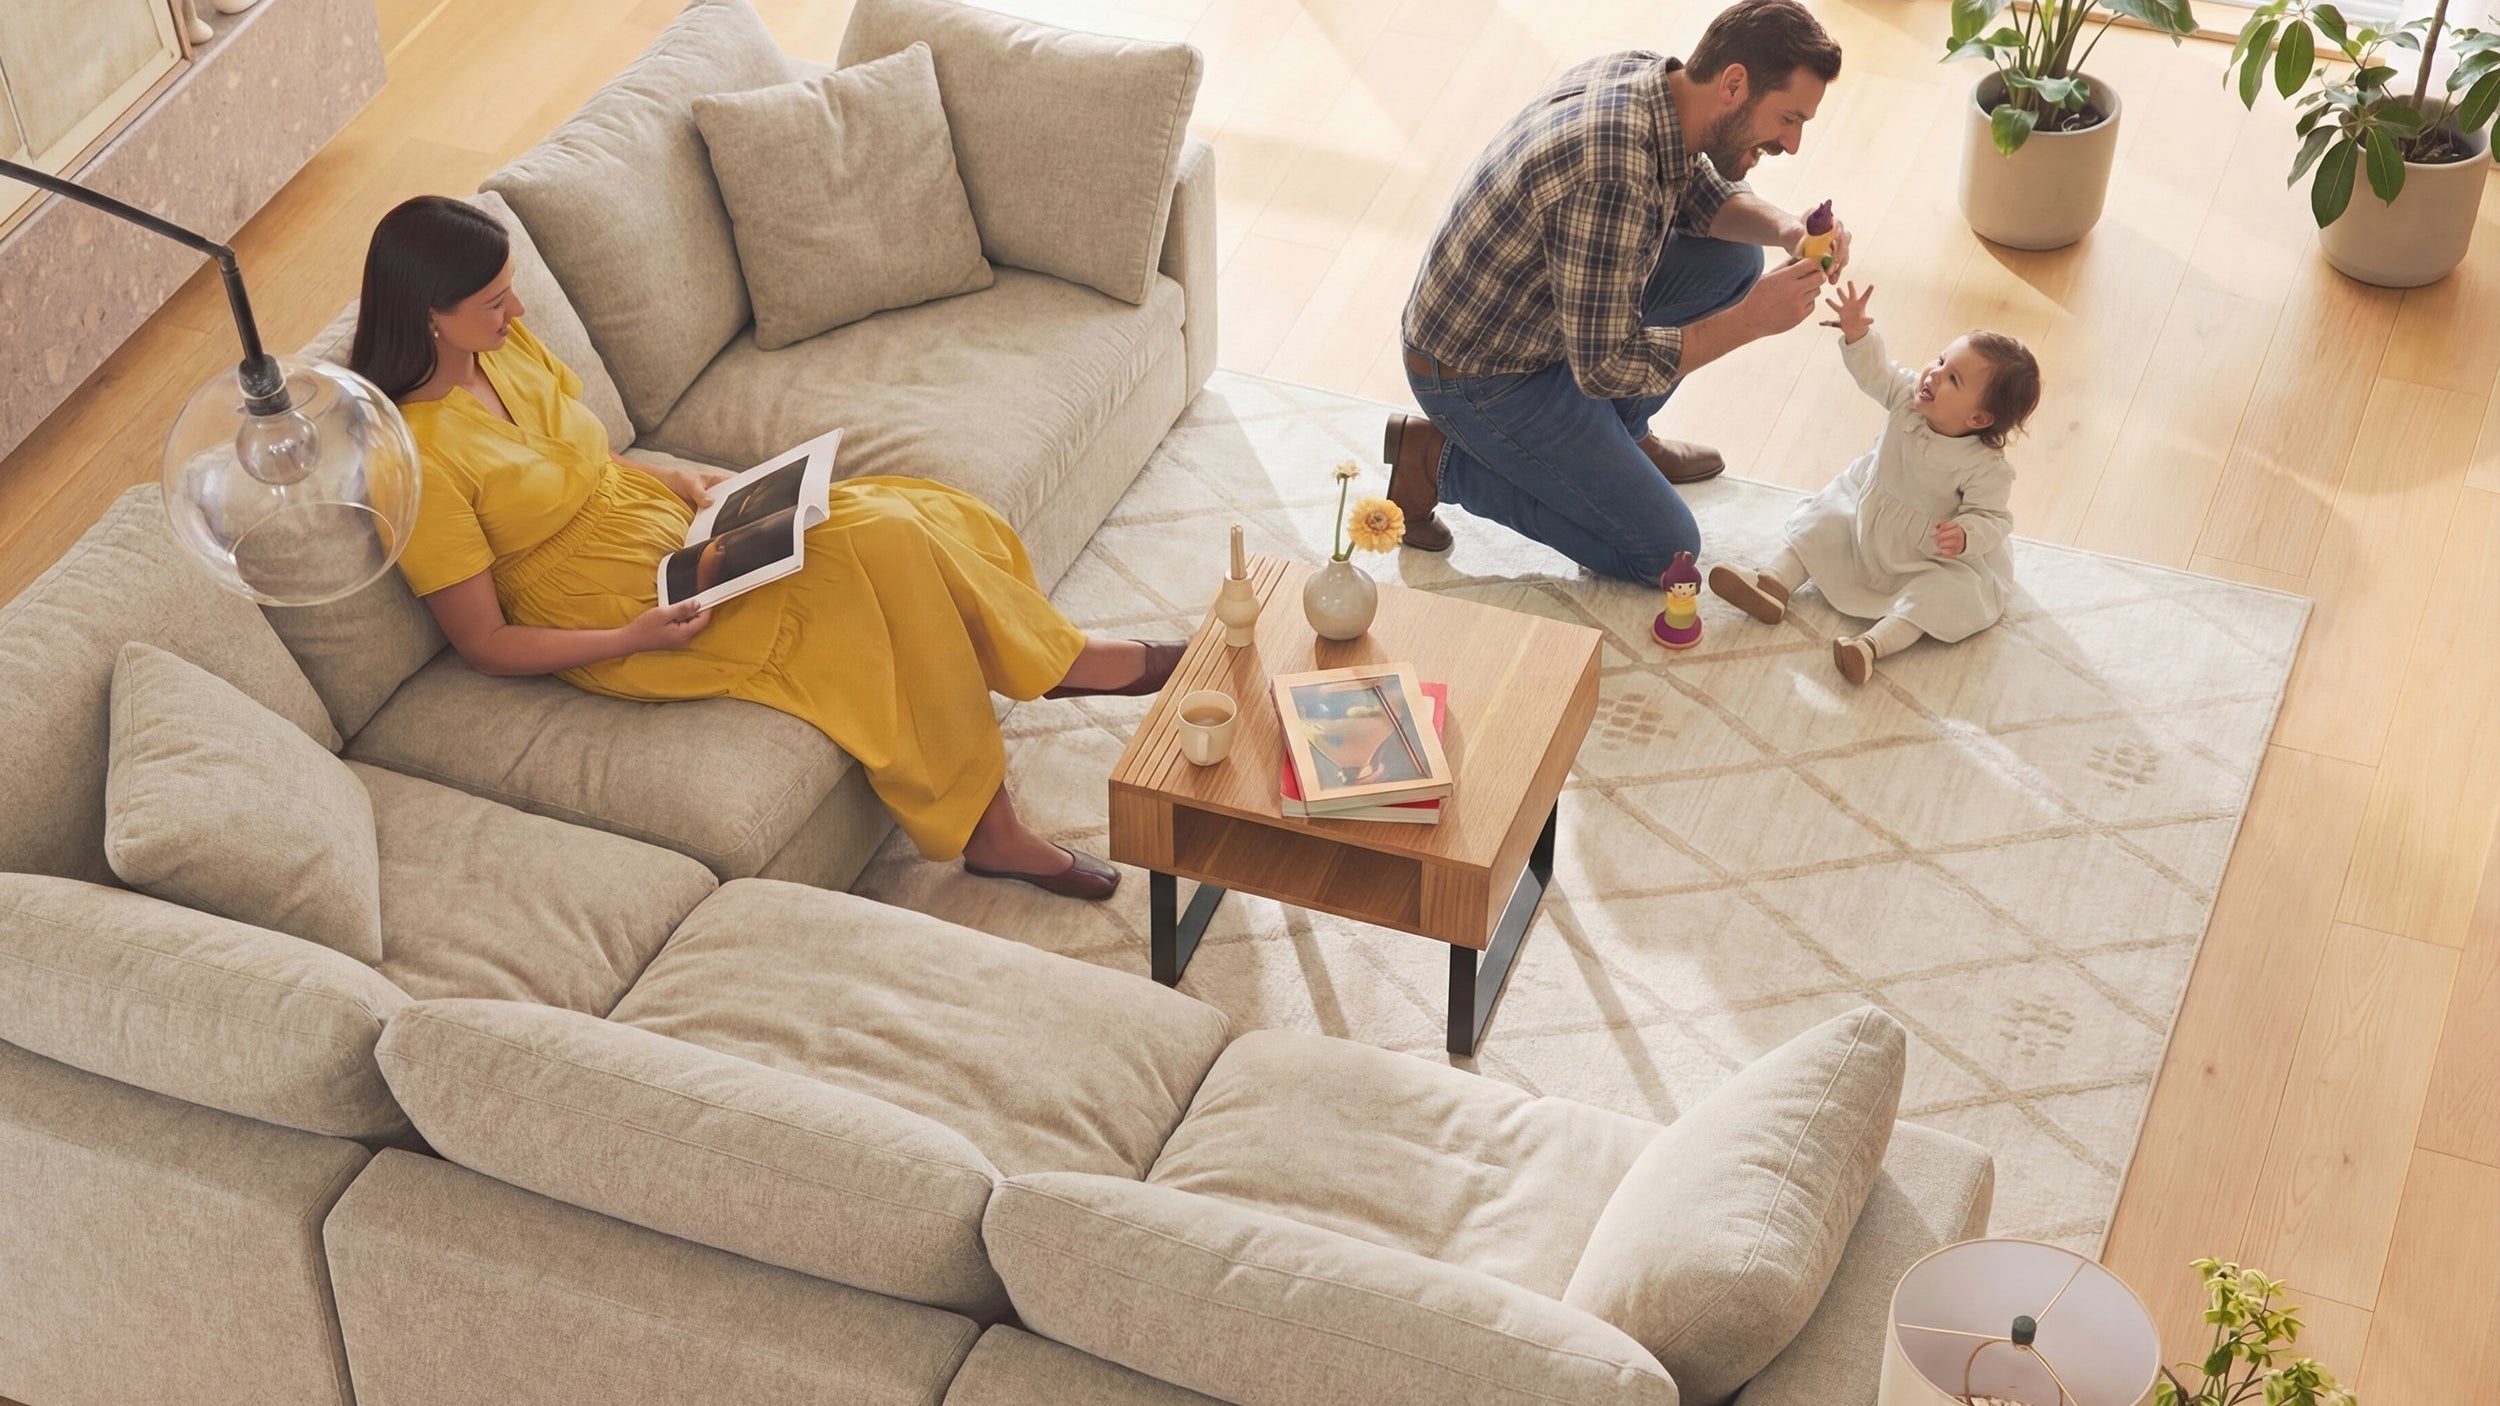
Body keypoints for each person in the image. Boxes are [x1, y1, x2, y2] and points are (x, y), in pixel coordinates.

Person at [352, 196, 1179, 899]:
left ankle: (1048, 669)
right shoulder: (411, 460)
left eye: (511, 291)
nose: (519, 312)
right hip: (619, 611)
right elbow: (485, 643)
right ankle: (1015, 767)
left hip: (664, 527)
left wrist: (675, 476)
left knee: (910, 511)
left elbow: (583, 459)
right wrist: (631, 637)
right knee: (879, 556)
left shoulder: (500, 349)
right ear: (428, 313)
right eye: (495, 300)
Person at [1388, 0, 1849, 583]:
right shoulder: (1613, 169)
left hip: (1541, 326)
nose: (1793, 142)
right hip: (1481, 377)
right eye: (1788, 118)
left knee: (1733, 259)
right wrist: (1750, 320)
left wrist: (1787, 228)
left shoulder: (1651, 80)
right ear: (1734, 84)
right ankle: (1436, 461)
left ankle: (1621, 439)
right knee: (1665, 552)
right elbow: (1606, 367)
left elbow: (1698, 194)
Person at [1707, 281, 2040, 684]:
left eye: (1953, 379)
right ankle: (1773, 583)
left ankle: (1870, 647)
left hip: (1931, 552)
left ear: (1979, 419)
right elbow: (1876, 372)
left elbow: (1992, 517)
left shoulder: (1985, 467)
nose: (1933, 374)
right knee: (1827, 521)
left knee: (1942, 594)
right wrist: (1858, 333)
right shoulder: (1906, 397)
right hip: (1870, 518)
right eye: (1939, 360)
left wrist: (1966, 534)